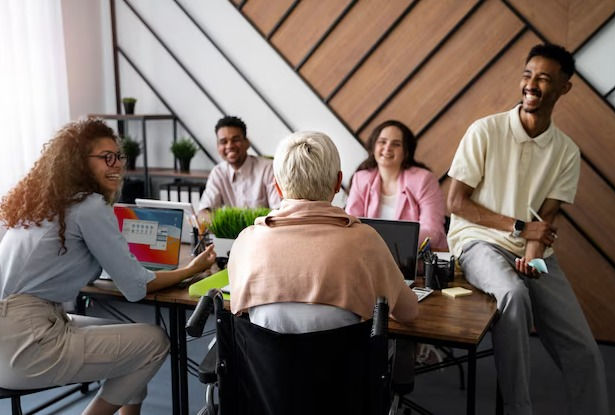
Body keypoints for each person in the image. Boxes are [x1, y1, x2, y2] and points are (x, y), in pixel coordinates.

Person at [0, 119, 216, 415]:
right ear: (78, 163)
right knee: (153, 342)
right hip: (28, 343)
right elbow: (135, 287)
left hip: (16, 334)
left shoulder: (43, 203)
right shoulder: (89, 206)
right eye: (106, 157)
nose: (117, 165)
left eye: (119, 157)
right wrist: (191, 269)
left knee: (131, 339)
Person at [447, 43, 608, 415]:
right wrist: (519, 228)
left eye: (544, 79)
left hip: (534, 251)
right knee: (513, 296)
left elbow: (546, 219)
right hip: (478, 241)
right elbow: (456, 202)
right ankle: (520, 409)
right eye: (527, 74)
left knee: (583, 347)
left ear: (564, 88)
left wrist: (533, 254)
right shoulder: (485, 130)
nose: (531, 84)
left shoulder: (566, 151)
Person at [227, 131, 419, 333]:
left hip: (262, 364)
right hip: (345, 364)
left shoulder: (247, 242)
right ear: (338, 183)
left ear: (278, 187)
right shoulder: (366, 241)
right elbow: (408, 312)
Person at [346, 120, 447, 250]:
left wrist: (391, 242)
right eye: (382, 142)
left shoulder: (423, 180)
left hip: (413, 259)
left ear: (406, 152)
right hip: (369, 256)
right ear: (373, 146)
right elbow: (351, 224)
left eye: (396, 144)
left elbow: (433, 231)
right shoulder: (361, 178)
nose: (387, 148)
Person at [197, 115, 280, 222]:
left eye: (235, 140)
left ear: (247, 143)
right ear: (218, 147)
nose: (229, 146)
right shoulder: (218, 172)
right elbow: (204, 211)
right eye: (223, 142)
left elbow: (278, 212)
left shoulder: (268, 169)